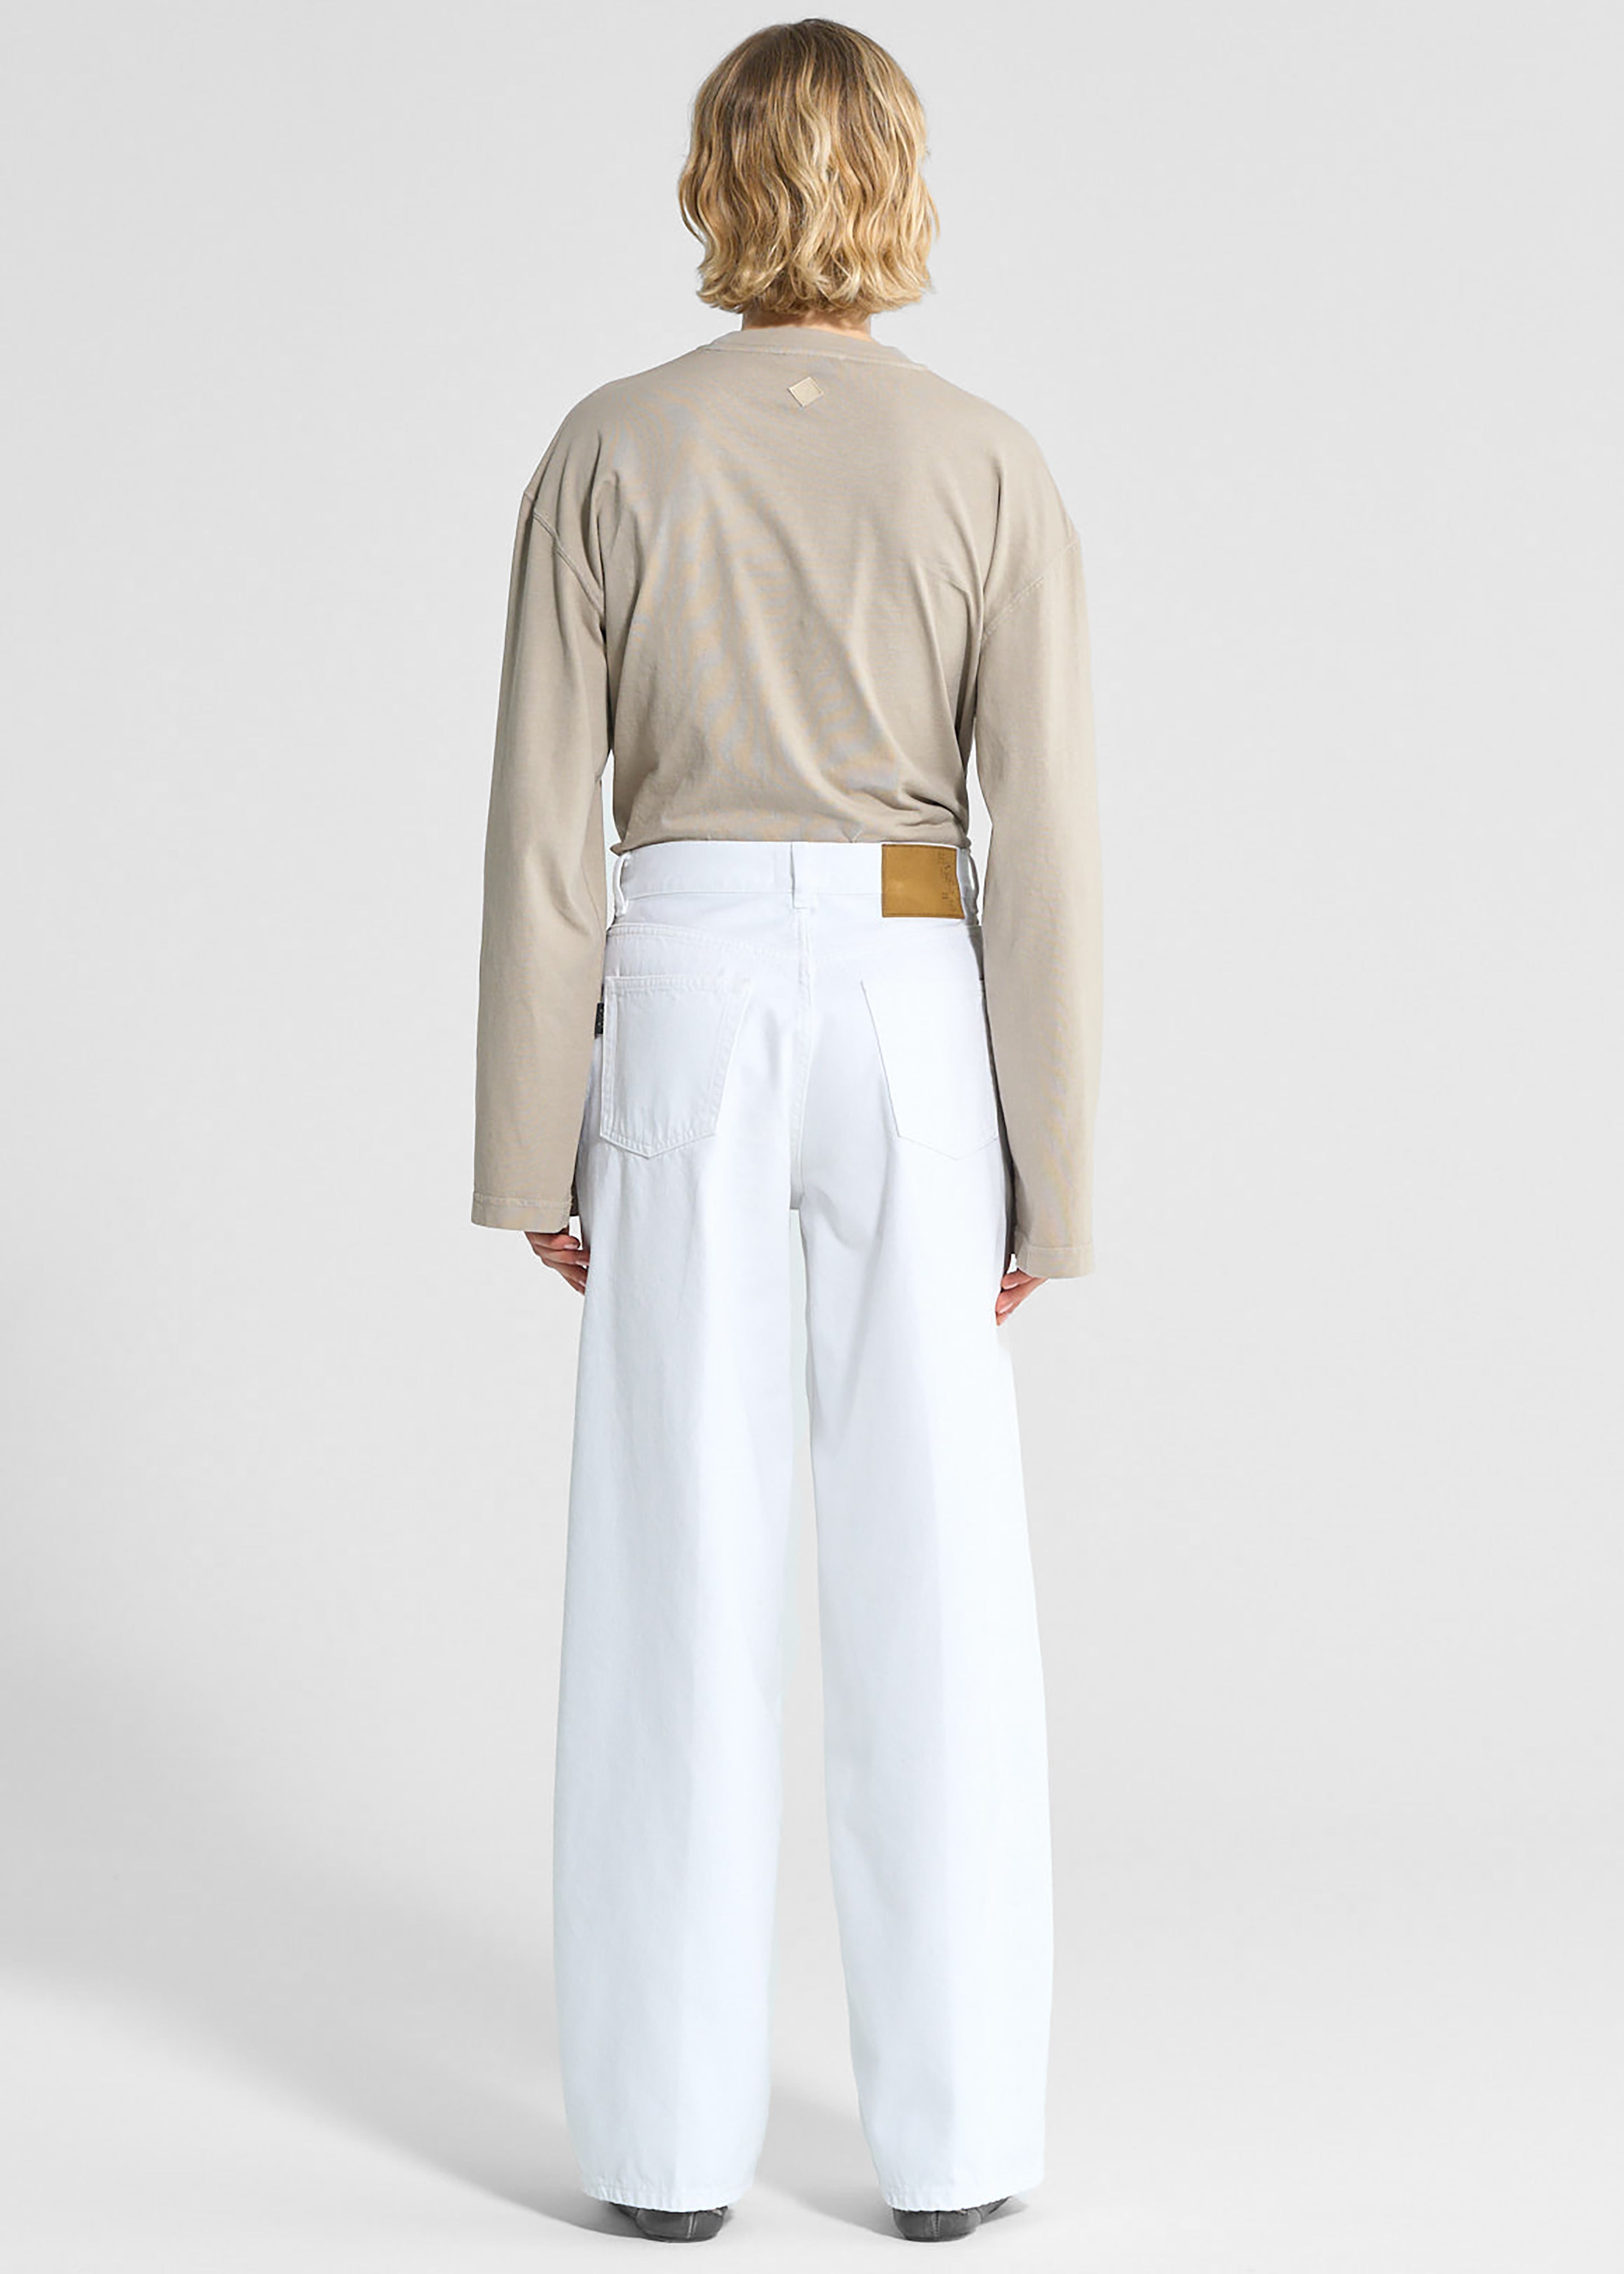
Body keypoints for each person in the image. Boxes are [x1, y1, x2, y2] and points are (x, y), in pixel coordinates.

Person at [471, 17, 1102, 2246]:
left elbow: (545, 828)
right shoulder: (988, 461)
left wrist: (532, 1141)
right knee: (941, 1577)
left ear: (713, 183)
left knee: (673, 1559)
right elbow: (1051, 840)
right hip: (918, 992)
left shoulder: (609, 449)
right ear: (902, 182)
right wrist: (1053, 1167)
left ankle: (660, 2159)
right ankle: (957, 2151)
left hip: (687, 980)